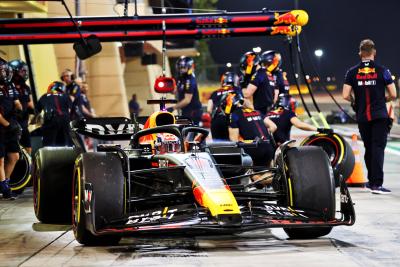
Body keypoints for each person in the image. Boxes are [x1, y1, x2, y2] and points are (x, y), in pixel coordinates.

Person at [342, 39, 397, 194]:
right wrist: (383, 99)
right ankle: (376, 184)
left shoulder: (352, 72)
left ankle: (371, 181)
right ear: (374, 52)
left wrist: (355, 100)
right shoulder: (382, 70)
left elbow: (345, 95)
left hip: (363, 116)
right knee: (378, 148)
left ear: (360, 53)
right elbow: (393, 94)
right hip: (379, 115)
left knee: (369, 148)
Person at [228, 99, 277, 167]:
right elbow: (273, 126)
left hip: (253, 148)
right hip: (268, 146)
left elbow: (234, 139)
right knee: (266, 171)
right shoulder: (257, 112)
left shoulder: (234, 115)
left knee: (252, 175)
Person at [0, 58, 23, 199]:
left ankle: (5, 182)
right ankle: (4, 188)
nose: (4, 73)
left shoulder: (10, 86)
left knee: (14, 156)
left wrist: (18, 110)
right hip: (1, 128)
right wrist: (8, 125)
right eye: (1, 71)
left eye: (4, 70)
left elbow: (17, 102)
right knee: (0, 159)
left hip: (10, 126)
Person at [207, 71, 243, 140]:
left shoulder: (215, 92)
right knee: (231, 146)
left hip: (216, 121)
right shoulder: (238, 90)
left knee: (217, 147)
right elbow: (241, 106)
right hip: (230, 121)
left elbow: (209, 109)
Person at [9, 59, 35, 154]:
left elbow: (30, 104)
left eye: (25, 71)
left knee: (28, 150)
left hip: (24, 124)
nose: (25, 73)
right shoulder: (8, 87)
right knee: (13, 152)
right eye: (22, 71)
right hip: (12, 125)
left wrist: (36, 114)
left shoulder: (26, 87)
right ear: (14, 72)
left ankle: (28, 168)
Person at [168, 56, 202, 125]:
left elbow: (187, 100)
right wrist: (166, 86)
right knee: (183, 132)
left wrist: (173, 108)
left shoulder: (189, 80)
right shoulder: (181, 78)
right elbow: (174, 91)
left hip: (193, 112)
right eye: (180, 67)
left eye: (183, 67)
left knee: (189, 133)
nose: (181, 69)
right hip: (186, 110)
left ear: (189, 67)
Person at [36, 81, 72, 147]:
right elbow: (69, 110)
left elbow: (37, 112)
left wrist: (35, 121)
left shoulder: (44, 96)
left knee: (49, 145)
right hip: (65, 121)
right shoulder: (66, 96)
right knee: (65, 145)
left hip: (51, 120)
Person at [244, 50, 279, 116]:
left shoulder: (259, 73)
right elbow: (275, 97)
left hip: (260, 112)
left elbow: (247, 94)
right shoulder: (269, 74)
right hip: (270, 110)